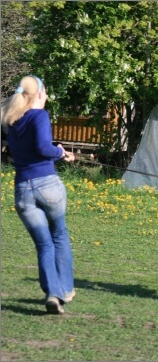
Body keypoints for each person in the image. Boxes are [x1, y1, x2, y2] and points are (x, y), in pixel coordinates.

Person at [1, 75, 76, 314]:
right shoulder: (39, 116)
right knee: (59, 235)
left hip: (23, 189)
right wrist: (60, 152)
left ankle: (52, 294)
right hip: (47, 185)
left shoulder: (11, 120)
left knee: (44, 245)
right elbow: (44, 147)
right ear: (41, 94)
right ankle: (64, 290)